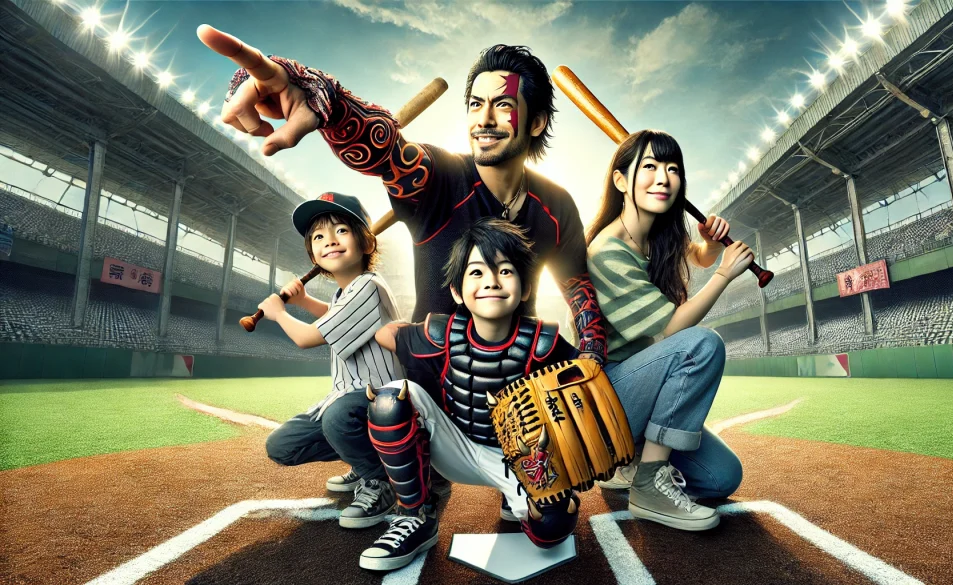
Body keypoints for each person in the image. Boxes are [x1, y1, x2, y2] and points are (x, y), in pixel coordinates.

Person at [198, 27, 607, 363]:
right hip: (433, 380)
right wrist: (329, 101)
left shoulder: (556, 205)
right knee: (355, 420)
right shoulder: (438, 177)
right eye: (476, 104)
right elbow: (387, 151)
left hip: (522, 380)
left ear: (535, 122)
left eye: (502, 105)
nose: (483, 119)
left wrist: (591, 361)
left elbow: (578, 293)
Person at [359, 218, 582, 571]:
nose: (492, 280)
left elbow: (583, 382)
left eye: (505, 271)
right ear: (457, 291)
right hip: (458, 447)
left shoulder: (544, 341)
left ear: (525, 288)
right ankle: (415, 516)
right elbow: (388, 335)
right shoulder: (440, 333)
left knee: (553, 527)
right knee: (390, 399)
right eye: (476, 272)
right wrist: (411, 345)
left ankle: (515, 499)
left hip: (522, 459)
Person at [586, 130, 751, 531]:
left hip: (640, 393)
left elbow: (697, 255)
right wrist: (725, 274)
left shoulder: (657, 236)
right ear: (621, 181)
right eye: (649, 167)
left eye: (672, 168)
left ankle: (630, 463)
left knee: (721, 478)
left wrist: (710, 245)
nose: (663, 177)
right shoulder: (608, 251)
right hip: (607, 399)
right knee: (701, 344)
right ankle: (648, 482)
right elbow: (671, 330)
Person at [259, 192, 402, 530]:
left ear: (366, 243)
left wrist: (279, 313)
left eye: (342, 231)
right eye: (319, 237)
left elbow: (308, 338)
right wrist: (306, 301)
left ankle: (381, 481)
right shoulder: (344, 293)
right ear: (313, 255)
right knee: (282, 446)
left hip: (385, 402)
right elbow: (332, 318)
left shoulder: (368, 285)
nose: (330, 241)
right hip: (350, 400)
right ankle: (364, 457)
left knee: (338, 417)